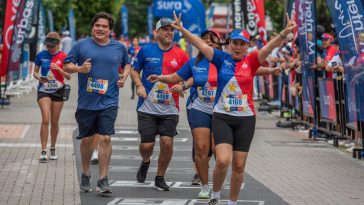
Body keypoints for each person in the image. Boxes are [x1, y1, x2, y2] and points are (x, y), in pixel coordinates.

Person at [171, 12, 295, 204]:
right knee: (222, 160)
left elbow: (269, 47)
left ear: (247, 46)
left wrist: (283, 34)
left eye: (242, 43)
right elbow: (200, 44)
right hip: (222, 117)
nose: (238, 47)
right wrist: (182, 30)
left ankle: (232, 201)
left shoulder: (252, 60)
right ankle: (215, 194)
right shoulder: (220, 58)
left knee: (238, 166)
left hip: (246, 119)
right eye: (235, 43)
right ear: (229, 44)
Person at [148, 29, 221, 198]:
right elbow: (176, 77)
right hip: (198, 107)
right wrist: (160, 78)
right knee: (201, 148)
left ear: (218, 43)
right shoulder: (194, 62)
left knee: (217, 150)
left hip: (220, 110)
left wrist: (271, 70)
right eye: (204, 39)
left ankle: (217, 184)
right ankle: (204, 185)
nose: (208, 42)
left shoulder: (225, 61)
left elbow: (247, 71)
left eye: (212, 40)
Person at [64, 12, 130, 194]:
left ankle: (103, 178)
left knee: (106, 137)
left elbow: (127, 64)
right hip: (87, 102)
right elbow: (66, 65)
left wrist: (124, 77)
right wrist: (80, 68)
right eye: (97, 26)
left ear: (110, 30)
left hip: (109, 100)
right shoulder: (81, 46)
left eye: (104, 26)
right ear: (93, 27)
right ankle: (85, 174)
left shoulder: (119, 48)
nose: (100, 29)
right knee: (86, 140)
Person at [130, 17, 189, 191]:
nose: (169, 32)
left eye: (172, 30)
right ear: (157, 32)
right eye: (165, 29)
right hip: (147, 106)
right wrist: (139, 85)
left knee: (167, 143)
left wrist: (183, 84)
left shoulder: (181, 54)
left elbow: (191, 73)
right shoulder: (146, 50)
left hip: (170, 108)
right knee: (147, 145)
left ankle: (160, 176)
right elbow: (134, 70)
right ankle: (145, 162)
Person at [33, 32, 71, 162]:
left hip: (58, 90)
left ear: (58, 45)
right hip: (44, 90)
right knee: (45, 119)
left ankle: (53, 147)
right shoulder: (41, 55)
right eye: (47, 46)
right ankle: (43, 150)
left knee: (54, 122)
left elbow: (69, 76)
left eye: (52, 46)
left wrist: (59, 70)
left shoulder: (64, 56)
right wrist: (40, 78)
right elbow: (35, 73)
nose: (49, 48)